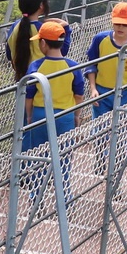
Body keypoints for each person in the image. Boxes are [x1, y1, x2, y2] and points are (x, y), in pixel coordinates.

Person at [23, 21, 86, 200]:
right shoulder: (73, 65)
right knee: (64, 158)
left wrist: (29, 116)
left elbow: (29, 95)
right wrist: (77, 116)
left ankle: (36, 196)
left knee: (38, 157)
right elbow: (79, 94)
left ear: (43, 43)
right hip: (65, 116)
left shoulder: (36, 66)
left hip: (40, 115)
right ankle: (64, 196)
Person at [84, 2, 127, 117]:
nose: (120, 27)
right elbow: (91, 65)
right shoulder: (100, 39)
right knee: (100, 129)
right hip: (102, 92)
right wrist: (93, 89)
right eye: (117, 23)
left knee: (122, 126)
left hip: (125, 92)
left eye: (125, 25)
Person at [6, 0, 70, 81]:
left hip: (22, 82)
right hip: (43, 82)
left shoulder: (14, 26)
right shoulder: (43, 30)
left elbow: (9, 54)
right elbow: (61, 51)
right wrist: (66, 29)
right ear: (41, 5)